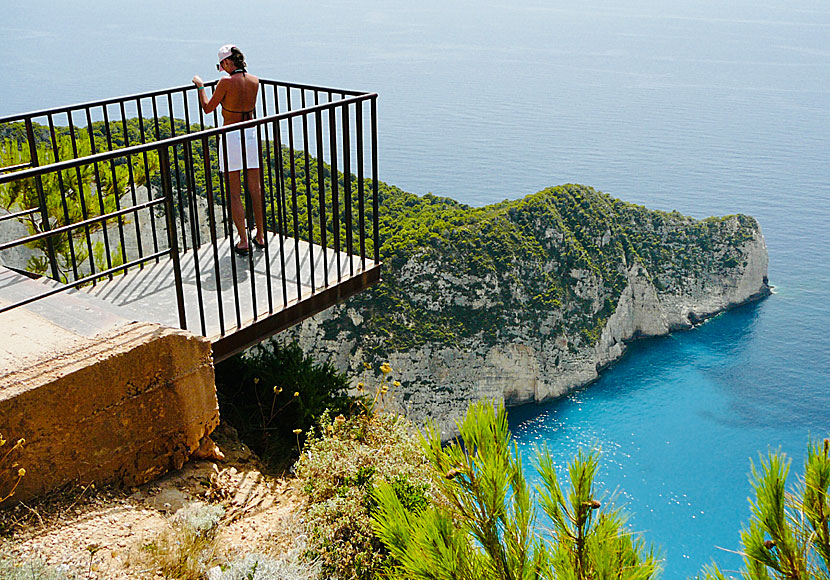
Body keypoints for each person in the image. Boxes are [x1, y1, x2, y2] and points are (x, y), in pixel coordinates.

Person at [192, 44, 265, 255]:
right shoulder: (255, 81)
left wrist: (200, 86)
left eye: (220, 64)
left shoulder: (225, 81)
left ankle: (243, 240)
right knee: (255, 188)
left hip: (232, 136)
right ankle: (260, 236)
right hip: (251, 133)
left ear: (226, 62)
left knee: (235, 192)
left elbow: (208, 108)